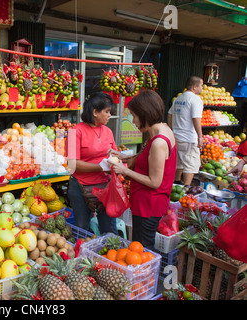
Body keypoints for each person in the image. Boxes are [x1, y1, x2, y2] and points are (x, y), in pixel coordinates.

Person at [109, 90, 177, 250]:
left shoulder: (158, 142)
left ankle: (148, 276)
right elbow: (148, 158)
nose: (133, 120)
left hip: (148, 204)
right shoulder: (163, 130)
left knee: (143, 249)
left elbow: (155, 181)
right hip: (148, 203)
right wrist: (124, 156)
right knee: (142, 247)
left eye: (134, 115)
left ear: (145, 113)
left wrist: (125, 171)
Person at [67, 92, 118, 235]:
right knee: (82, 228)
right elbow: (72, 164)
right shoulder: (75, 132)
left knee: (109, 229)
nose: (109, 115)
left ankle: (109, 256)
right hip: (81, 188)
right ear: (95, 112)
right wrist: (100, 167)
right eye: (107, 112)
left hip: (106, 187)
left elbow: (114, 153)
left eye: (110, 112)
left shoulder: (108, 131)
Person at [167, 76, 203, 187]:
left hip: (177, 136)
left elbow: (170, 115)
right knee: (190, 164)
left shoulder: (179, 98)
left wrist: (172, 130)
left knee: (179, 161)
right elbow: (196, 118)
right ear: (195, 87)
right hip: (189, 138)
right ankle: (187, 188)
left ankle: (176, 183)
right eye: (201, 85)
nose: (202, 88)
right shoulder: (195, 99)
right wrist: (200, 137)